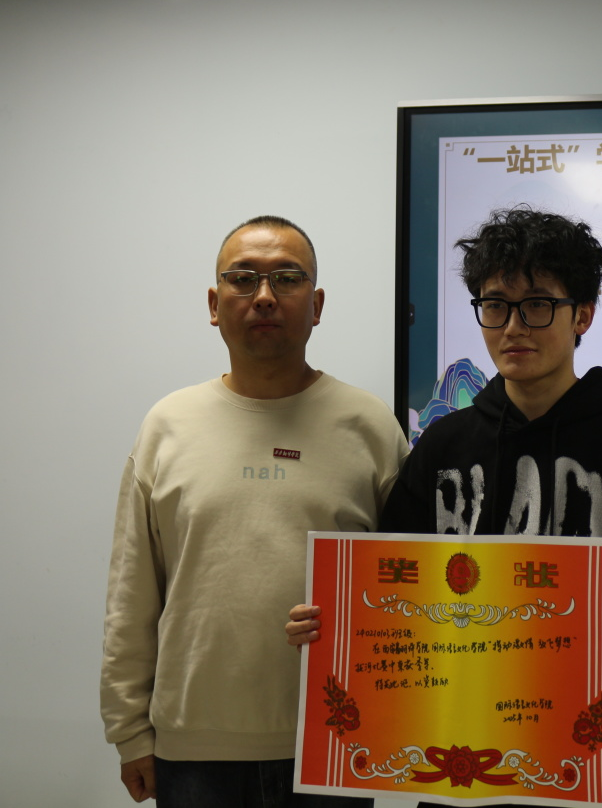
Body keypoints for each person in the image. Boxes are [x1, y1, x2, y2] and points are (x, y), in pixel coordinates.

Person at [287, 206, 602, 805]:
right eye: (495, 305)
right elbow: (386, 583)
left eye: (537, 305)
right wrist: (334, 627)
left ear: (583, 315)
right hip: (455, 767)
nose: (514, 326)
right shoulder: (443, 444)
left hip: (584, 772)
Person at [101, 216, 408, 806]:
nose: (264, 296)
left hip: (335, 740)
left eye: (287, 279)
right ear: (214, 305)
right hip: (193, 747)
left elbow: (408, 591)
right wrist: (129, 731)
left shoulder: (370, 426)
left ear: (317, 305)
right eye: (243, 279)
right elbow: (131, 595)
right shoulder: (168, 425)